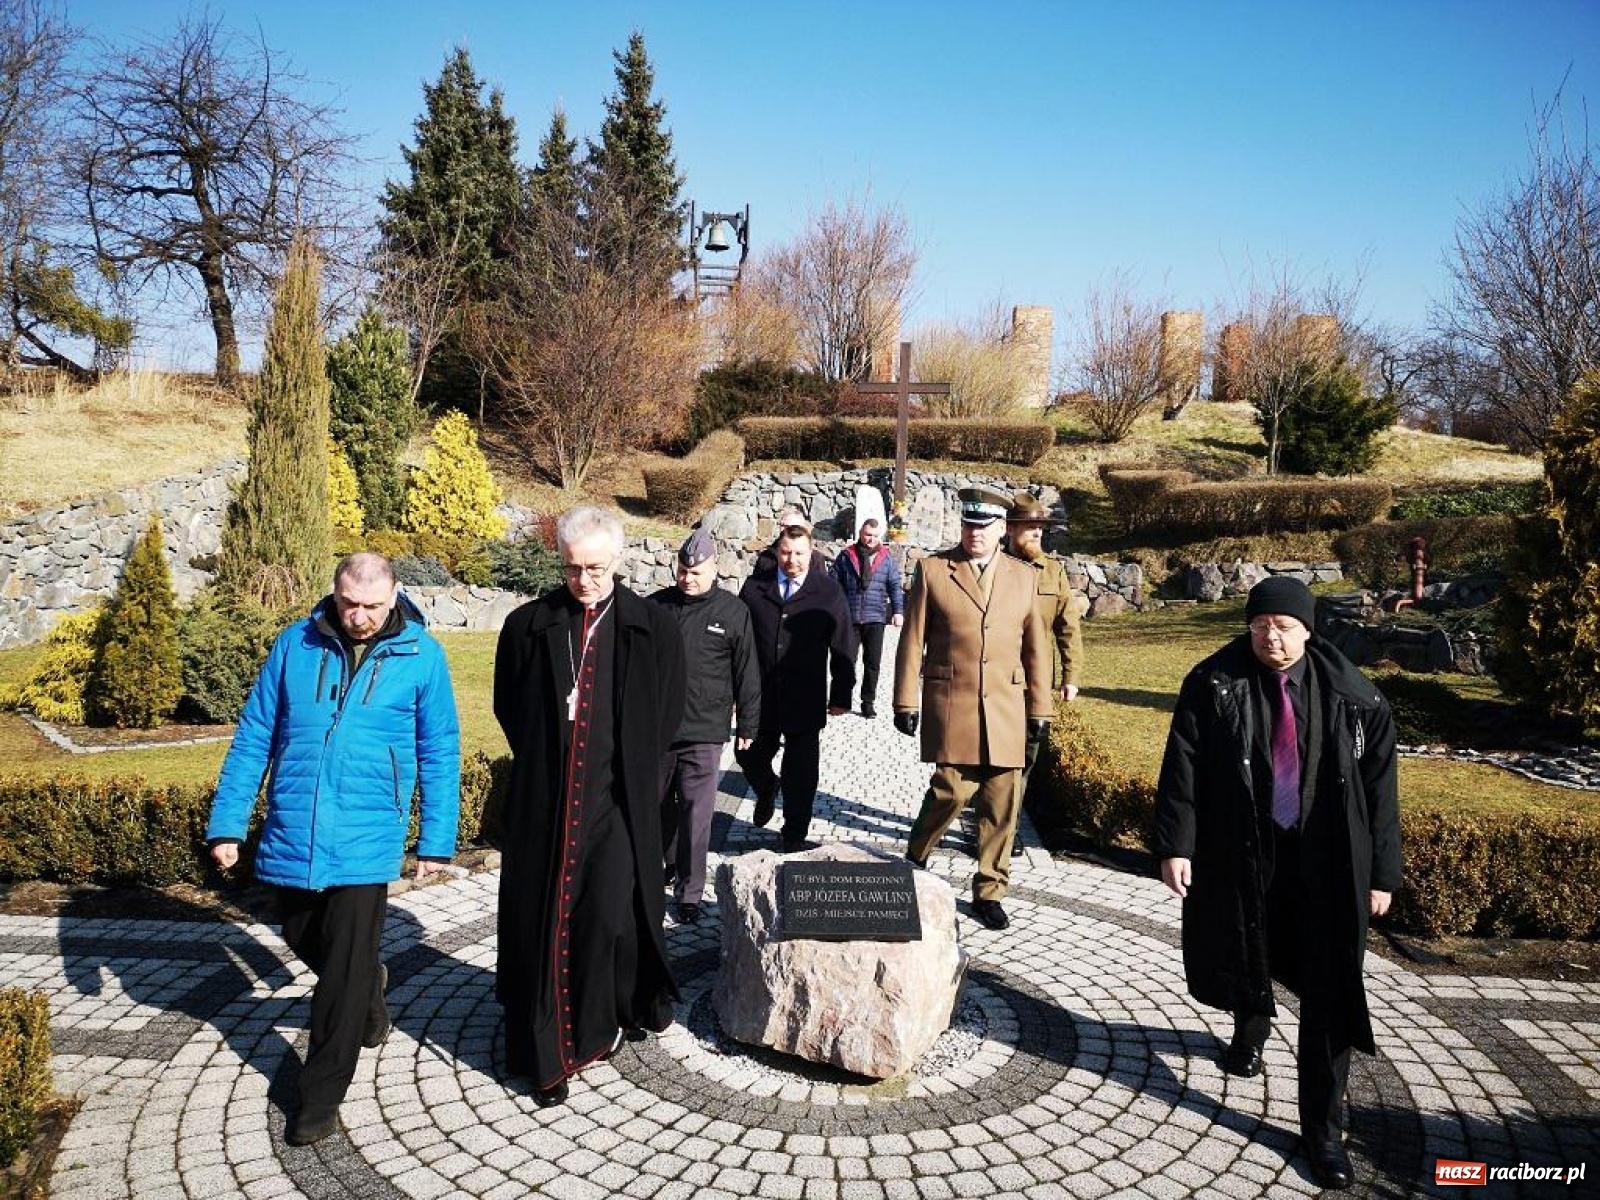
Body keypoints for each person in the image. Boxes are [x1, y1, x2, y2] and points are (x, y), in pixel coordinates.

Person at [1152, 576, 1400, 1191]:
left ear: (1309, 630)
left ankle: (1323, 1131)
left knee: (1330, 993)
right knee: (1248, 951)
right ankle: (1251, 1026)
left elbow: (1381, 791)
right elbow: (1181, 767)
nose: (1271, 636)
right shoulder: (1212, 683)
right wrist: (1176, 845)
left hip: (1327, 863)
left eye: (1285, 626)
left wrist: (1382, 875)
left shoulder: (1355, 696)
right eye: (1261, 624)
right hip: (1244, 852)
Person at [206, 552, 461, 1147]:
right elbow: (253, 737)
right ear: (335, 594)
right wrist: (227, 825)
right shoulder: (295, 645)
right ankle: (368, 994)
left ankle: (318, 1096)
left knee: (338, 977)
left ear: (394, 597)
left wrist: (436, 842)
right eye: (351, 604)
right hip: (294, 827)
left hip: (369, 836)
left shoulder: (422, 656)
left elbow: (440, 751)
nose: (361, 617)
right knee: (300, 934)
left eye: (373, 606)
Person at [493, 506, 686, 1107]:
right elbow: (509, 708)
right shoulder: (528, 625)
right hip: (546, 807)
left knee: (606, 918)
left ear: (619, 561)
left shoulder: (653, 628)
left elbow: (668, 715)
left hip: (617, 806)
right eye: (574, 568)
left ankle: (597, 1028)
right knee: (545, 920)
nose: (585, 581)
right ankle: (548, 1052)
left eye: (596, 568)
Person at [892, 485, 1052, 931]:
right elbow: (912, 641)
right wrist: (905, 699)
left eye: (984, 527)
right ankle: (915, 857)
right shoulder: (935, 570)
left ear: (1002, 530)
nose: (975, 534)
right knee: (950, 792)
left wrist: (1040, 709)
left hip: (1005, 706)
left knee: (1002, 803)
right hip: (954, 702)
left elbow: (1037, 650)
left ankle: (989, 889)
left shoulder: (1024, 577)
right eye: (968, 525)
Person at [650, 527, 761, 925]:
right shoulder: (657, 607)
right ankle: (664, 866)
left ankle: (690, 893)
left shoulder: (733, 612)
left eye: (695, 572)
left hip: (706, 730)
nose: (687, 578)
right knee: (659, 806)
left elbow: (747, 671)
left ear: (714, 568)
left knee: (697, 813)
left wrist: (748, 722)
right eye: (682, 571)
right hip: (660, 729)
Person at [737, 518, 855, 852]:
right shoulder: (754, 588)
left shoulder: (827, 591)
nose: (793, 560)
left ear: (811, 551)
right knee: (748, 754)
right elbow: (739, 640)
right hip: (760, 693)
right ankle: (765, 786)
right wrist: (734, 689)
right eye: (786, 553)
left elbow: (844, 643)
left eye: (800, 553)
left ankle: (794, 831)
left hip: (806, 693)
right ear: (777, 552)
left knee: (801, 769)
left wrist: (842, 692)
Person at [1004, 491, 1084, 802]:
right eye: (1029, 526)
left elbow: (1069, 627)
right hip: (994, 677)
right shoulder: (993, 567)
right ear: (1010, 529)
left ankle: (1007, 828)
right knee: (988, 756)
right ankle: (990, 824)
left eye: (1041, 527)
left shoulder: (1054, 571)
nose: (1038, 532)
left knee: (1027, 757)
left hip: (1034, 682)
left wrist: (1071, 677)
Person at [830, 516, 904, 718]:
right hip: (850, 617)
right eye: (866, 535)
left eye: (874, 536)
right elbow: (833, 584)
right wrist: (833, 610)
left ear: (879, 536)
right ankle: (839, 700)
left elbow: (895, 586)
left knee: (872, 664)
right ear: (860, 534)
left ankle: (868, 702)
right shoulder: (846, 556)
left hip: (875, 617)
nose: (870, 539)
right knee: (844, 660)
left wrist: (898, 611)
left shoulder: (886, 558)